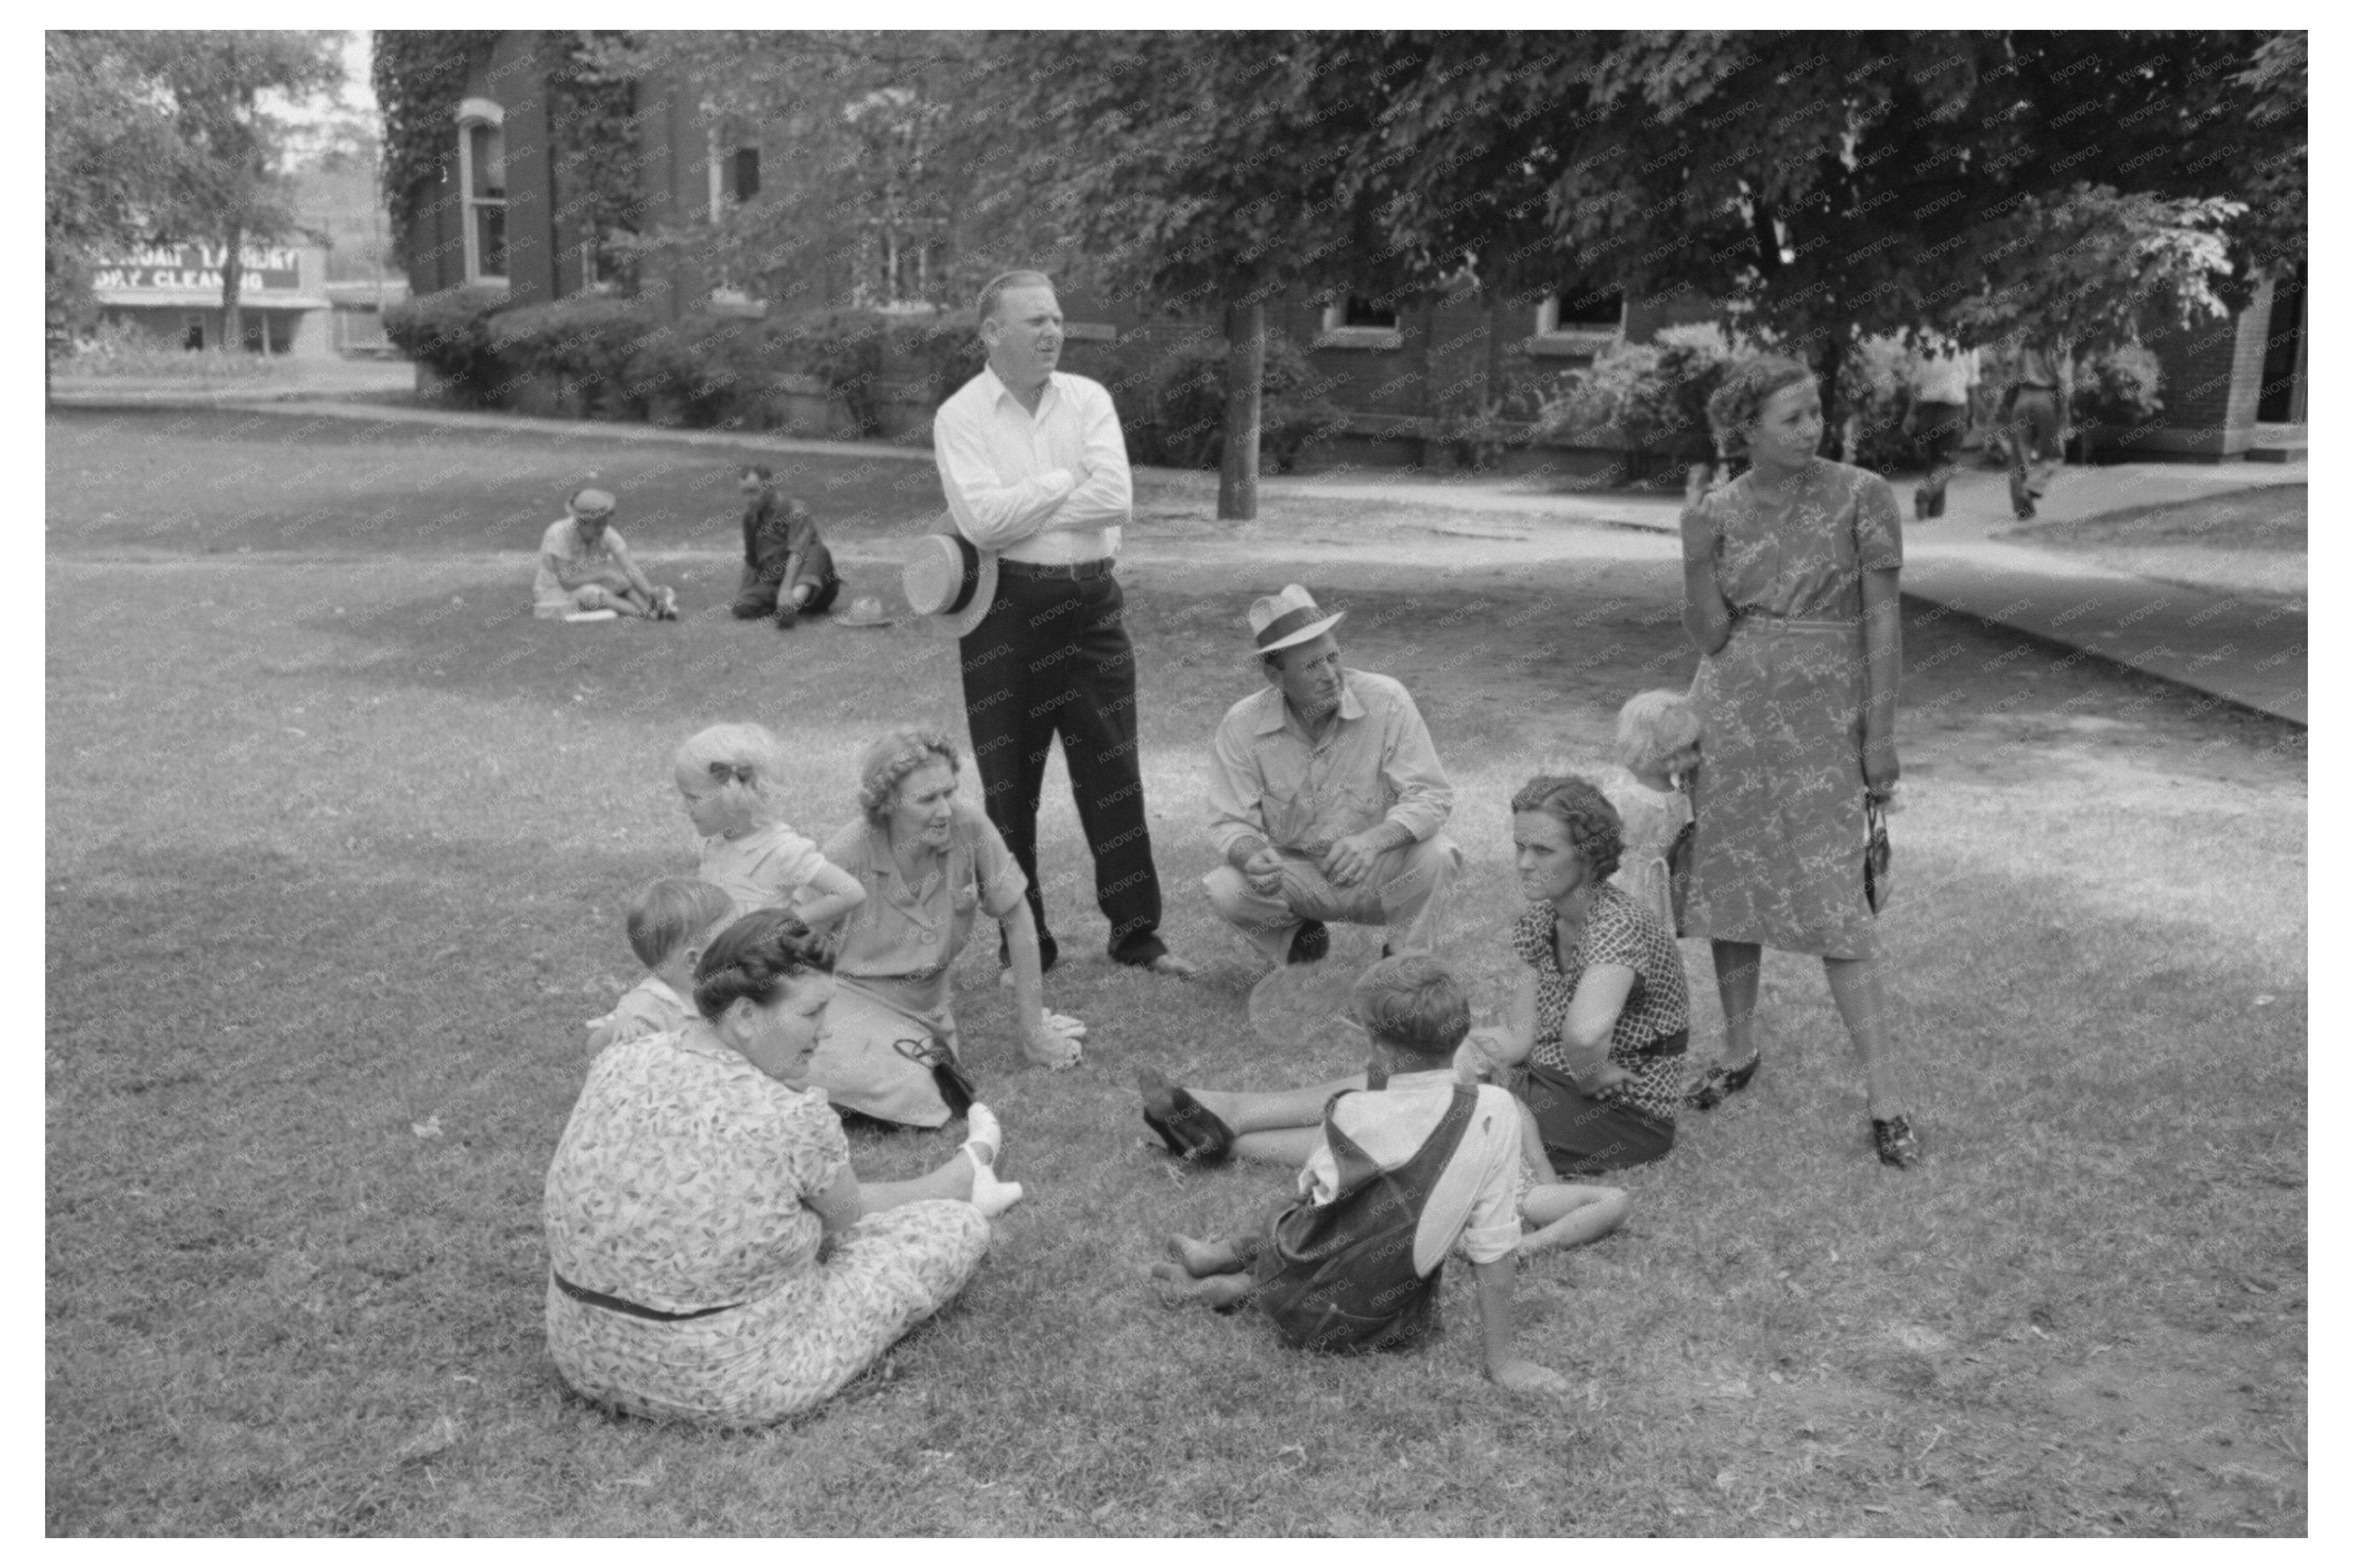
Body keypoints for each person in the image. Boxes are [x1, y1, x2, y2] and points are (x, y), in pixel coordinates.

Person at [543, 910, 1022, 1427]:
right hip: (729, 1381)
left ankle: (966, 1173)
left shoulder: (622, 1059)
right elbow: (847, 1217)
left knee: (787, 1215)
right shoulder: (791, 1113)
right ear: (746, 1015)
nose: (824, 1032)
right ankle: (972, 1174)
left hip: (585, 1352)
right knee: (953, 1230)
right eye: (812, 1013)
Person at [1142, 776, 1687, 1179]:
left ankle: (1230, 1141)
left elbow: (1585, 1036)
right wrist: (1456, 1047)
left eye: (1543, 850)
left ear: (1590, 857)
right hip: (1548, 1080)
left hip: (1624, 1113)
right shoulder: (1546, 918)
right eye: (1520, 845)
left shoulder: (1618, 924)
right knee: (1419, 1072)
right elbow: (1522, 1038)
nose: (1523, 862)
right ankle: (1232, 1112)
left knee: (1428, 1122)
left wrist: (1591, 1076)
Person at [1677, 354, 1919, 1166]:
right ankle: (1739, 1050)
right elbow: (1712, 634)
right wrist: (1693, 552)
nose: (1812, 429)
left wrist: (1878, 735)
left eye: (1815, 412)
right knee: (1731, 887)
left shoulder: (1862, 494)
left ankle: (1885, 1096)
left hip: (1823, 720)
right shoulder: (1718, 507)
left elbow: (1883, 621)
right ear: (1746, 429)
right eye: (1792, 418)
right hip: (1734, 715)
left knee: (1834, 907)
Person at [928, 268, 1195, 982]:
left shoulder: (1088, 399)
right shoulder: (960, 417)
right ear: (991, 333)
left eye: (1056, 319)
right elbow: (981, 522)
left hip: (1092, 604)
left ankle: (1138, 933)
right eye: (1035, 321)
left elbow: (1116, 498)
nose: (1052, 332)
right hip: (1005, 610)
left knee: (1113, 768)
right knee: (1009, 782)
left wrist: (1029, 502)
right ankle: (1027, 943)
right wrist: (1060, 484)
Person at [1145, 956, 1573, 1392]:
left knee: (1296, 1217)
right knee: (1342, 1236)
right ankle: (1225, 1277)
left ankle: (1223, 1262)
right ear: (1461, 1033)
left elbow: (1313, 1199)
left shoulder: (1350, 1110)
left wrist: (1374, 1088)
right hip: (1379, 1320)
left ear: (1381, 1049)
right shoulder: (1498, 1110)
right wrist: (1503, 1362)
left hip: (1303, 1303)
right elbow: (1495, 1245)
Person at [805, 729, 1091, 1128]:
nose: (945, 810)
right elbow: (788, 940)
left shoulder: (968, 823)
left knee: (913, 1086)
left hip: (926, 1011)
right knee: (831, 1064)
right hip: (849, 1000)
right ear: (887, 805)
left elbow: (1018, 917)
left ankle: (886, 1082)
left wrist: (1034, 1030)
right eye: (927, 799)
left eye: (949, 792)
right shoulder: (847, 850)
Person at [1205, 585, 1459, 969]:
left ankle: (1403, 966)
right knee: (1227, 887)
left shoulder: (1387, 699)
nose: (1331, 675)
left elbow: (1431, 795)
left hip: (1378, 866)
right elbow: (1229, 821)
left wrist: (1373, 842)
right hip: (1297, 874)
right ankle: (1299, 946)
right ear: (1275, 676)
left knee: (1438, 854)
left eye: (1333, 657)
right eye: (1312, 666)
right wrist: (1251, 856)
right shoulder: (1242, 725)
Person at [673, 723, 866, 925]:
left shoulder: (782, 850)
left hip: (759, 955)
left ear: (732, 794)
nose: (683, 808)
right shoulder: (713, 842)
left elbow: (851, 893)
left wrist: (784, 925)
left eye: (693, 798)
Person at [584, 877, 737, 1052]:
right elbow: (594, 1049)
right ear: (693, 960)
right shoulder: (647, 1007)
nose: (745, 943)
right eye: (733, 940)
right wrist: (615, 1028)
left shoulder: (725, 984)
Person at [1603, 690, 1700, 935]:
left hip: (1623, 881)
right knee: (1653, 940)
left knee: (1619, 939)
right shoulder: (1683, 804)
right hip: (1660, 888)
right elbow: (1677, 852)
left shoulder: (1623, 799)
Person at [532, 486, 679, 621]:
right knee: (596, 592)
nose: (602, 528)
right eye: (597, 524)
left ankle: (653, 606)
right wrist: (603, 575)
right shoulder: (559, 534)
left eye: (605, 523)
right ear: (580, 522)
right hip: (555, 596)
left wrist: (650, 593)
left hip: (591, 587)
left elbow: (630, 567)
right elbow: (567, 583)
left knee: (621, 583)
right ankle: (649, 614)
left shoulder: (606, 533)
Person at [732, 465, 841, 628]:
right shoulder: (751, 519)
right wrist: (743, 595)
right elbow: (752, 562)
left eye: (753, 492)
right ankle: (784, 606)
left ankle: (790, 607)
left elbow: (797, 552)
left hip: (813, 585)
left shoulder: (796, 510)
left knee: (817, 551)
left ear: (769, 488)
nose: (749, 499)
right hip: (776, 583)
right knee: (742, 604)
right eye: (744, 493)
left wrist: (786, 592)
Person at [1906, 339, 1978, 520]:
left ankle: (1934, 511)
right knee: (1947, 462)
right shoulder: (1967, 346)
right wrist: (1974, 415)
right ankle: (1927, 491)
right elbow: (1973, 385)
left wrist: (1911, 414)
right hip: (1952, 411)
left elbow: (1915, 385)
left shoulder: (1924, 342)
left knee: (1933, 461)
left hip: (1927, 411)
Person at [2000, 338, 2064, 521]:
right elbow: (2064, 378)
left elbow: (2012, 379)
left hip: (2023, 396)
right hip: (2048, 398)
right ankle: (2031, 487)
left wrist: (2008, 406)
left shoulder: (2025, 343)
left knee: (2020, 454)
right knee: (2054, 454)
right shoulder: (2058, 341)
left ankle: (2022, 508)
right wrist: (2064, 409)